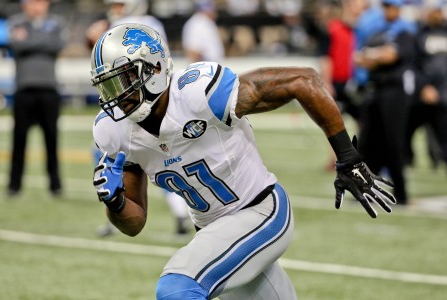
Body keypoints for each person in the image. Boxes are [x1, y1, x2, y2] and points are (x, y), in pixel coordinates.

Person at [91, 24, 396, 299]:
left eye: (123, 81)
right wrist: (116, 202)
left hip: (261, 210)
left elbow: (303, 80)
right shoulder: (114, 131)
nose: (116, 96)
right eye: (107, 87)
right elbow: (134, 224)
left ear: (155, 69)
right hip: (215, 232)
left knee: (177, 288)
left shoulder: (197, 93)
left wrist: (348, 157)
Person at [88, 0, 191, 236]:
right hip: (127, 98)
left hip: (144, 97)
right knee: (128, 158)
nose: (116, 8)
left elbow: (156, 61)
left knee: (161, 160)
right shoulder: (117, 24)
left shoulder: (144, 25)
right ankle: (120, 207)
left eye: (120, 4)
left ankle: (178, 211)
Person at [354, 0, 416, 205]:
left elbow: (391, 56)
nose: (388, 10)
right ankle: (365, 190)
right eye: (386, 6)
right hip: (375, 90)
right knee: (367, 142)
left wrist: (374, 56)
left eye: (392, 6)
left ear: (398, 9)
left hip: (395, 92)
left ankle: (401, 193)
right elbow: (360, 58)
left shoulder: (404, 31)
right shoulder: (377, 32)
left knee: (393, 142)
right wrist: (377, 56)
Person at [7, 0, 67, 196]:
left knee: (51, 139)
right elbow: (17, 45)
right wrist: (42, 40)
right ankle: (14, 185)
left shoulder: (56, 22)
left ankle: (55, 185)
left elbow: (57, 45)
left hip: (48, 90)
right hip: (24, 90)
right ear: (25, 5)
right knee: (19, 140)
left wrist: (30, 40)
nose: (37, 6)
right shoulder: (16, 22)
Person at [318, 0, 366, 170]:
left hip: (356, 83)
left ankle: (361, 154)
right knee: (334, 122)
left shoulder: (362, 30)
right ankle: (335, 159)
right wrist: (327, 82)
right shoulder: (333, 29)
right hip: (337, 83)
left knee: (362, 120)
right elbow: (326, 58)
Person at [404, 3, 447, 170]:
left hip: (443, 96)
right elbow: (413, 64)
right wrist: (424, 87)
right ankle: (406, 159)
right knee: (407, 130)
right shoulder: (419, 34)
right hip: (423, 95)